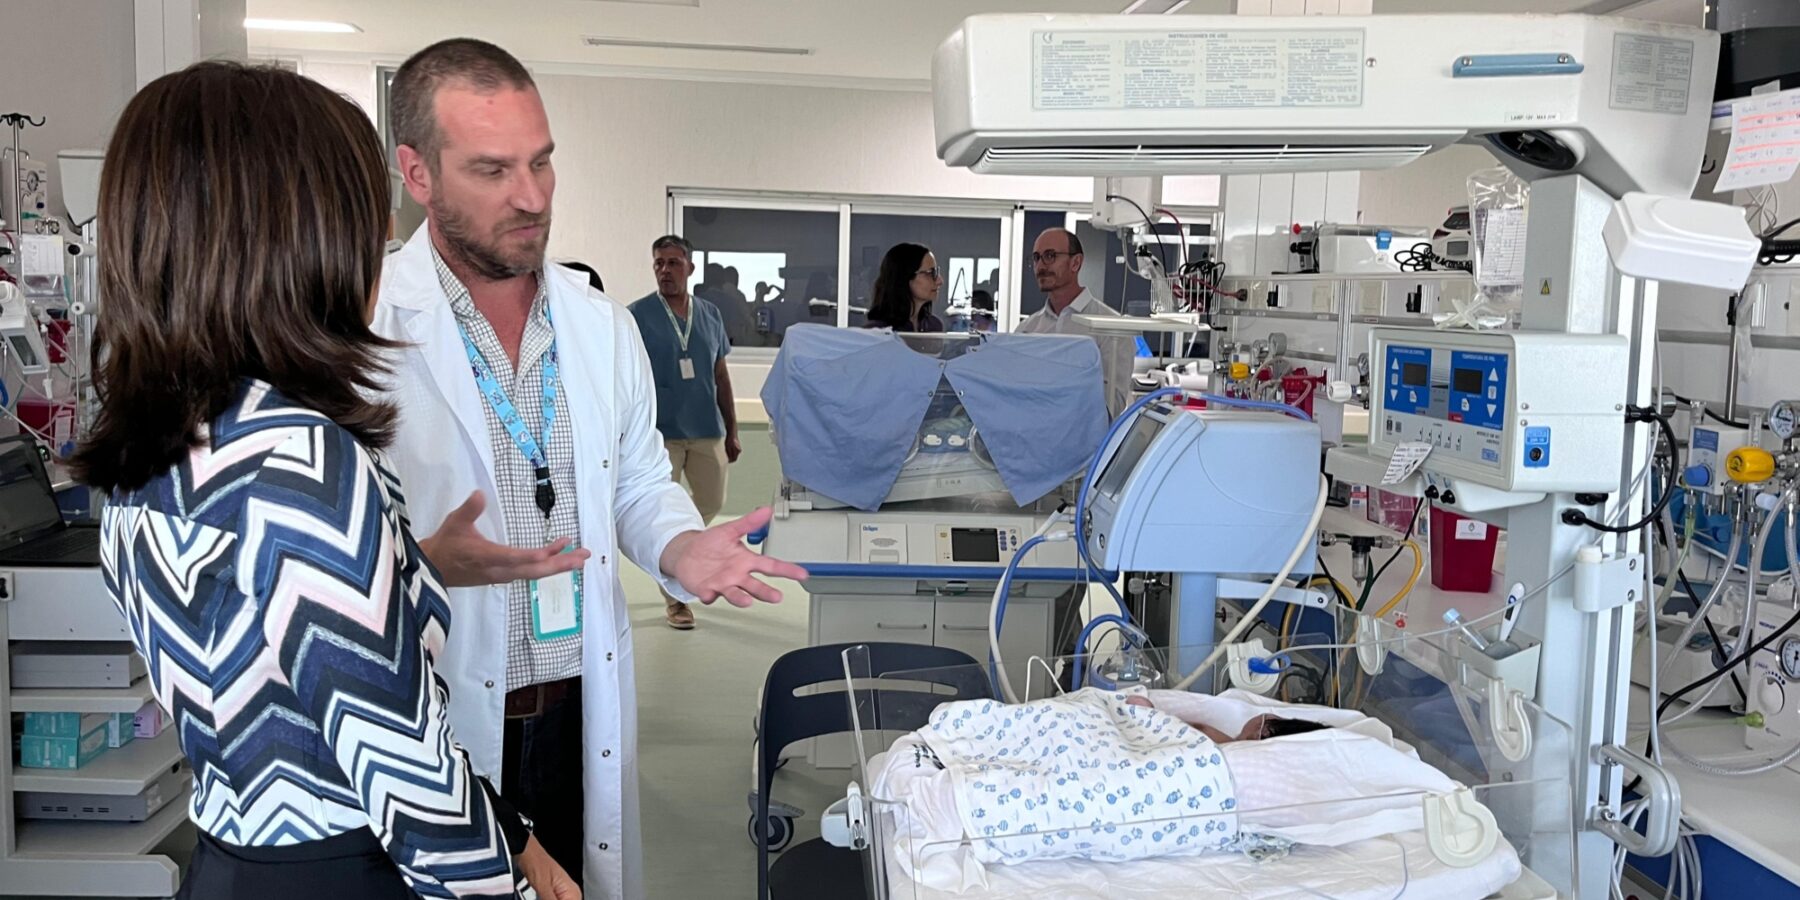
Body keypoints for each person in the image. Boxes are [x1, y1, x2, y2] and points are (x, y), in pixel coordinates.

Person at [76, 62, 582, 900]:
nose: (380, 236)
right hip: (351, 872)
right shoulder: (298, 461)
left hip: (235, 853)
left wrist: (406, 560)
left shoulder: (161, 438)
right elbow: (413, 793)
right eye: (361, 214)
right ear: (293, 238)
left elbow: (260, 642)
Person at [374, 38, 805, 900]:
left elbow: (639, 482)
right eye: (492, 170)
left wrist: (680, 547)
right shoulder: (362, 327)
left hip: (577, 709)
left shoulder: (599, 326)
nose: (530, 197)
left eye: (542, 163)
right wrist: (422, 559)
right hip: (440, 718)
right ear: (417, 174)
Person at [628, 235, 740, 630]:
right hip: (660, 434)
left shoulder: (709, 314)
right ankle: (676, 598)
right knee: (663, 512)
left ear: (690, 268)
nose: (665, 270)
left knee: (711, 501)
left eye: (674, 263)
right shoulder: (636, 315)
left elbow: (720, 375)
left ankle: (678, 548)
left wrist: (732, 429)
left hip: (707, 428)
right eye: (659, 263)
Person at [1019, 228, 1135, 416]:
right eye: (1036, 258)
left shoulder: (1112, 328)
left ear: (1076, 263)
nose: (1040, 266)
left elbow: (1109, 409)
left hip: (1084, 443)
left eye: (1050, 256)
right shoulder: (1026, 330)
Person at [864, 242, 946, 332]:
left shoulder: (934, 326)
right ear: (904, 277)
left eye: (936, 272)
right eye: (930, 273)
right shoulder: (877, 331)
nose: (940, 281)